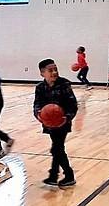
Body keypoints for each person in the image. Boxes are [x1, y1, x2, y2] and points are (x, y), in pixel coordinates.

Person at [33, 58, 78, 188]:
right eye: (50, 70)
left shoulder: (64, 84)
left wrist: (66, 118)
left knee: (57, 148)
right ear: (42, 73)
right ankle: (53, 176)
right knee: (57, 148)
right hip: (49, 123)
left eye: (55, 69)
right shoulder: (40, 87)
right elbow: (37, 104)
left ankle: (68, 176)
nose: (54, 72)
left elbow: (73, 105)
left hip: (63, 122)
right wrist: (39, 115)